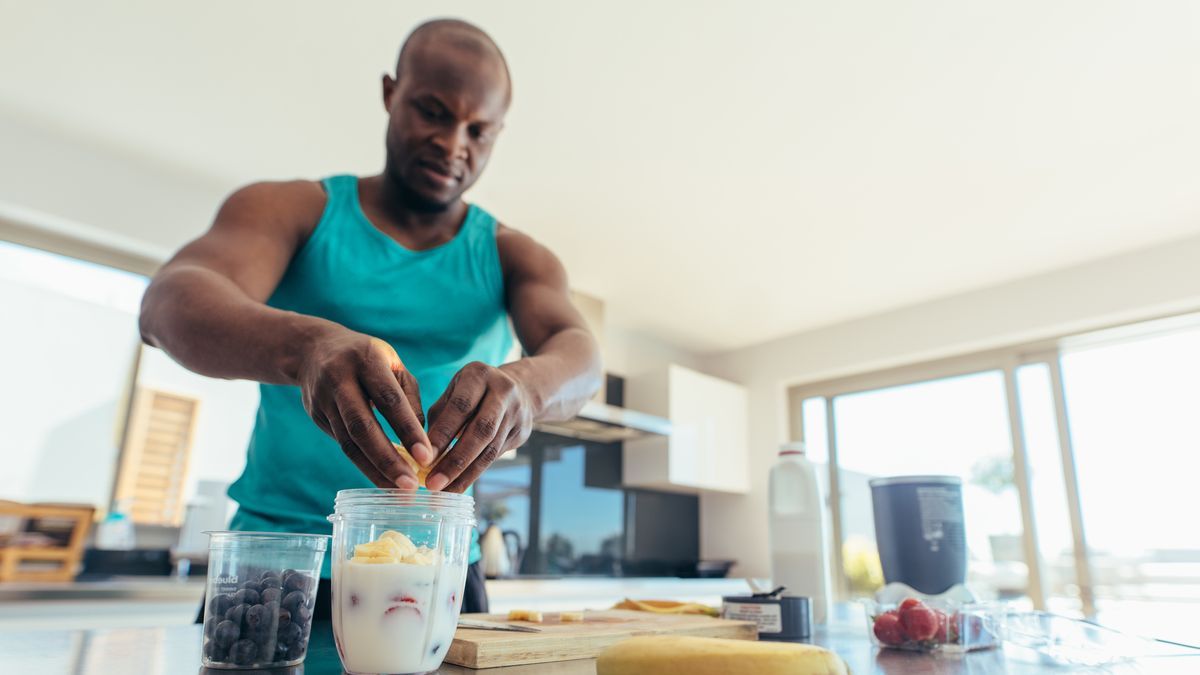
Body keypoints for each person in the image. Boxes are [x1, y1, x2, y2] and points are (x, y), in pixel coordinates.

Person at [139, 18, 602, 618]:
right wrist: (304, 346)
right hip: (280, 563)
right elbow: (167, 304)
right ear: (391, 93)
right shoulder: (294, 209)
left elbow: (582, 356)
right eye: (433, 111)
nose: (453, 142)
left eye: (478, 130)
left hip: (437, 568)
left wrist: (530, 388)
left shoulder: (513, 254)